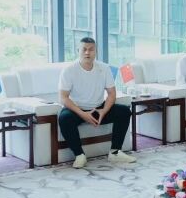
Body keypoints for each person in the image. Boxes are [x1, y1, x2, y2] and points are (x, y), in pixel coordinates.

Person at [58, 37, 137, 169]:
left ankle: (115, 152)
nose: (87, 52)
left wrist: (104, 111)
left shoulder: (104, 68)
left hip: (98, 109)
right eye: (84, 49)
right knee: (64, 118)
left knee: (124, 111)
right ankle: (79, 155)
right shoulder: (69, 70)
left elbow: (112, 94)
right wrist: (83, 114)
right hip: (77, 110)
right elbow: (63, 98)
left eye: (91, 49)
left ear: (96, 51)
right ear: (78, 51)